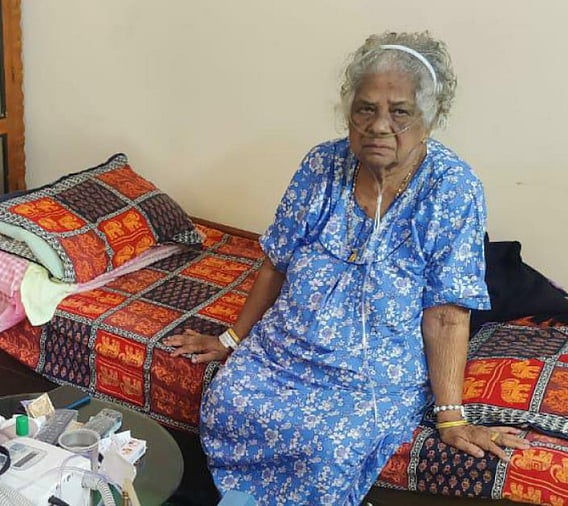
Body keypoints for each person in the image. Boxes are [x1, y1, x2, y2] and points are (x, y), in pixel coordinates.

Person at [165, 31, 530, 504]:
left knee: (325, 448)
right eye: (365, 109)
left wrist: (451, 416)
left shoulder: (452, 188)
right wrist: (230, 340)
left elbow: (446, 313)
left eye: (400, 112)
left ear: (431, 117)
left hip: (372, 374)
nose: (379, 125)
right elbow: (277, 261)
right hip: (287, 348)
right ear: (348, 111)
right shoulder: (322, 164)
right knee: (229, 400)